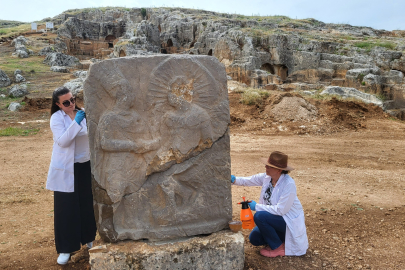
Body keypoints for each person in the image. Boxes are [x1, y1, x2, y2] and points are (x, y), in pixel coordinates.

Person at [46, 87, 97, 265]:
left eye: (72, 99)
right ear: (58, 105)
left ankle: (89, 238)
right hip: (66, 169)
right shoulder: (57, 118)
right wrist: (76, 122)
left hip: (84, 166)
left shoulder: (82, 113)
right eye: (66, 102)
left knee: (86, 203)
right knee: (66, 208)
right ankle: (66, 249)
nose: (71, 104)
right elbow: (63, 141)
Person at [231, 151, 308, 257]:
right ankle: (281, 241)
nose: (266, 167)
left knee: (260, 216)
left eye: (269, 166)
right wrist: (234, 180)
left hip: (286, 221)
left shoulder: (288, 184)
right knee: (255, 238)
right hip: (275, 220)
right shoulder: (267, 178)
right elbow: (250, 180)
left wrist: (256, 206)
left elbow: (281, 210)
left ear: (279, 170)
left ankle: (278, 248)